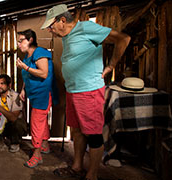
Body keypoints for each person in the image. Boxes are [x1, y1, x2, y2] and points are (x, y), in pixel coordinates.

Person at [41, 4, 130, 180]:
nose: (50, 30)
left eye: (51, 26)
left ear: (62, 21)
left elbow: (123, 39)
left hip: (89, 90)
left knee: (93, 133)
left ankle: (92, 175)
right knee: (76, 130)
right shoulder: (66, 36)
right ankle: (77, 167)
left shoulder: (86, 28)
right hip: (73, 90)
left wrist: (111, 66)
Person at [16, 29, 58, 168]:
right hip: (34, 94)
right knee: (40, 120)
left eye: (21, 40)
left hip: (43, 94)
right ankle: (45, 145)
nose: (19, 44)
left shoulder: (39, 52)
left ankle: (37, 154)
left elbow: (44, 73)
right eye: (18, 41)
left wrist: (26, 67)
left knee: (36, 123)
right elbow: (27, 75)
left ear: (31, 40)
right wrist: (23, 89)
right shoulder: (28, 57)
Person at [0, 74, 27, 153]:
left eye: (2, 84)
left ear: (9, 85)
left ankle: (15, 142)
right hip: (4, 126)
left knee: (17, 122)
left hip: (14, 127)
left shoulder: (15, 96)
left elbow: (13, 118)